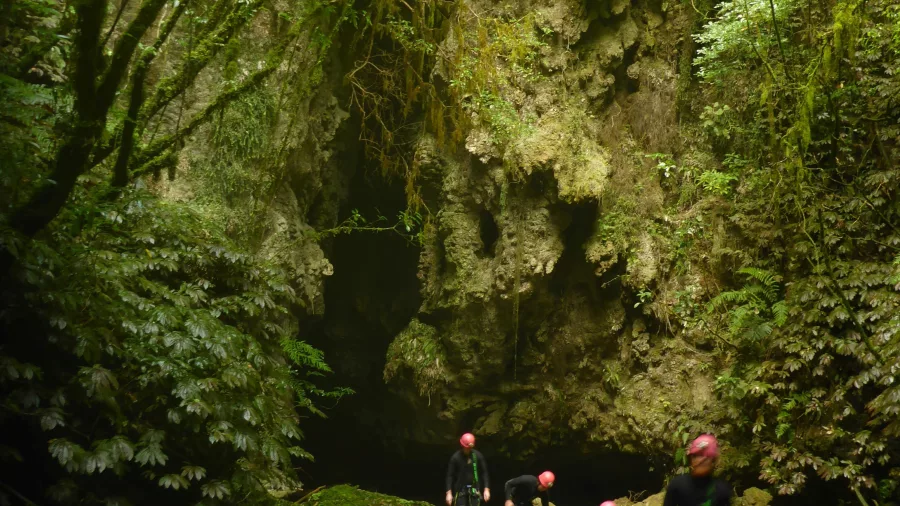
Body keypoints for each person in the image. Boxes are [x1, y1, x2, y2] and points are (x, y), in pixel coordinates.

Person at [663, 434, 732, 506]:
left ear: (713, 461)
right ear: (691, 459)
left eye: (706, 456)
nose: (700, 460)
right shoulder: (678, 485)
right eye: (696, 455)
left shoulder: (721, 490)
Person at [446, 433, 491, 506]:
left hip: (474, 489)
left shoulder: (477, 456)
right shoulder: (455, 458)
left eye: (470, 448)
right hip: (460, 490)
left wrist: (486, 489)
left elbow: (484, 473)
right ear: (462, 445)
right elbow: (450, 476)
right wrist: (449, 493)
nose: (468, 449)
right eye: (467, 448)